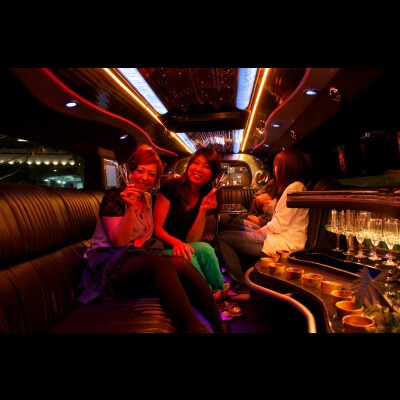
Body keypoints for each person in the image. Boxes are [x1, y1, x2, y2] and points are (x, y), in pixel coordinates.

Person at [78, 144, 229, 333]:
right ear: (130, 171)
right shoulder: (114, 197)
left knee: (180, 263)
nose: (144, 178)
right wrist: (131, 208)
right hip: (107, 265)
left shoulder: (147, 198)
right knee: (163, 263)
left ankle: (219, 325)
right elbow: (120, 243)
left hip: (135, 259)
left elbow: (146, 237)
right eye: (140, 171)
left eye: (151, 174)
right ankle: (194, 328)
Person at [217, 149, 309, 301]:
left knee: (223, 238)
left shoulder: (295, 188)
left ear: (286, 167)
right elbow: (279, 219)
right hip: (279, 236)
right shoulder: (293, 187)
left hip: (284, 243)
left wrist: (256, 233)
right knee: (234, 225)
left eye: (277, 165)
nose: (275, 169)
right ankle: (236, 274)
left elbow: (277, 225)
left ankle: (240, 287)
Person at [153, 147, 227, 296]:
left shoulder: (206, 196)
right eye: (196, 163)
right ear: (189, 165)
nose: (198, 169)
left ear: (212, 175)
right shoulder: (171, 187)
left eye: (206, 167)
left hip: (183, 245)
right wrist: (177, 243)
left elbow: (192, 239)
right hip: (160, 247)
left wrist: (203, 210)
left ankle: (220, 288)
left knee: (206, 248)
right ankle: (206, 294)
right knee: (188, 254)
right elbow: (157, 229)